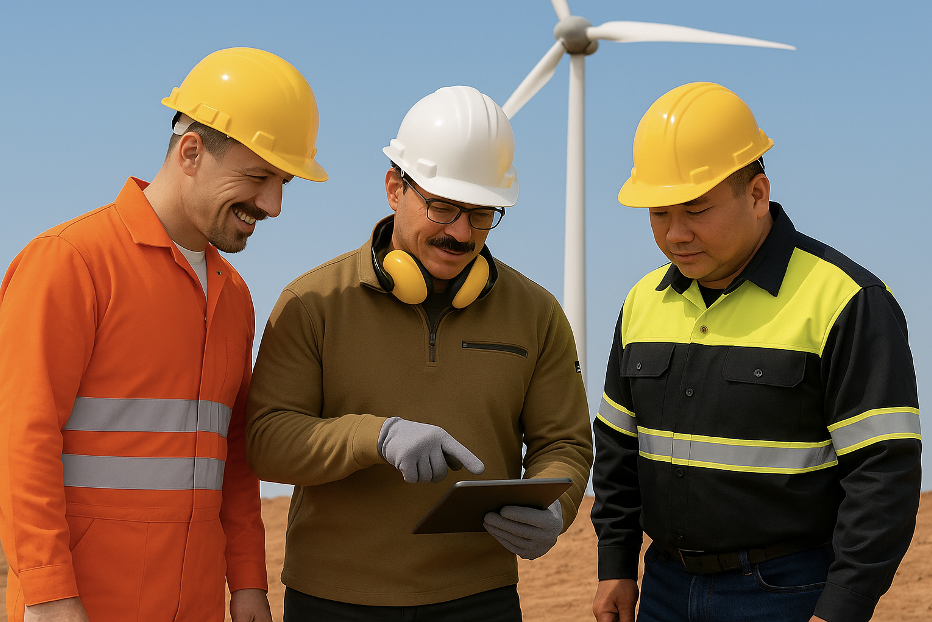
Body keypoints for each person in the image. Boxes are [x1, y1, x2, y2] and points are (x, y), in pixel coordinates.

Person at [0, 47, 328, 622]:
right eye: (258, 177)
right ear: (192, 152)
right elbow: (21, 442)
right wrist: (50, 596)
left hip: (196, 604)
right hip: (83, 606)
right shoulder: (70, 263)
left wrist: (248, 582)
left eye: (283, 183)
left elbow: (232, 453)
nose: (273, 205)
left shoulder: (235, 296)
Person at [245, 85, 593, 621]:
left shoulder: (538, 313)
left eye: (481, 214)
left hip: (479, 601)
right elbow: (267, 440)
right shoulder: (311, 303)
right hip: (332, 602)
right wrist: (376, 437)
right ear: (393, 187)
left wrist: (556, 506)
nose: (460, 232)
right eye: (442, 207)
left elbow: (564, 443)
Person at [591, 82, 921, 622]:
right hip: (663, 589)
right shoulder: (641, 302)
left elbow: (883, 475)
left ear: (757, 194)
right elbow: (618, 449)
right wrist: (616, 564)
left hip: (789, 594)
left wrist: (840, 609)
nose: (675, 234)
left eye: (696, 210)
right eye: (657, 214)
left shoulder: (847, 301)